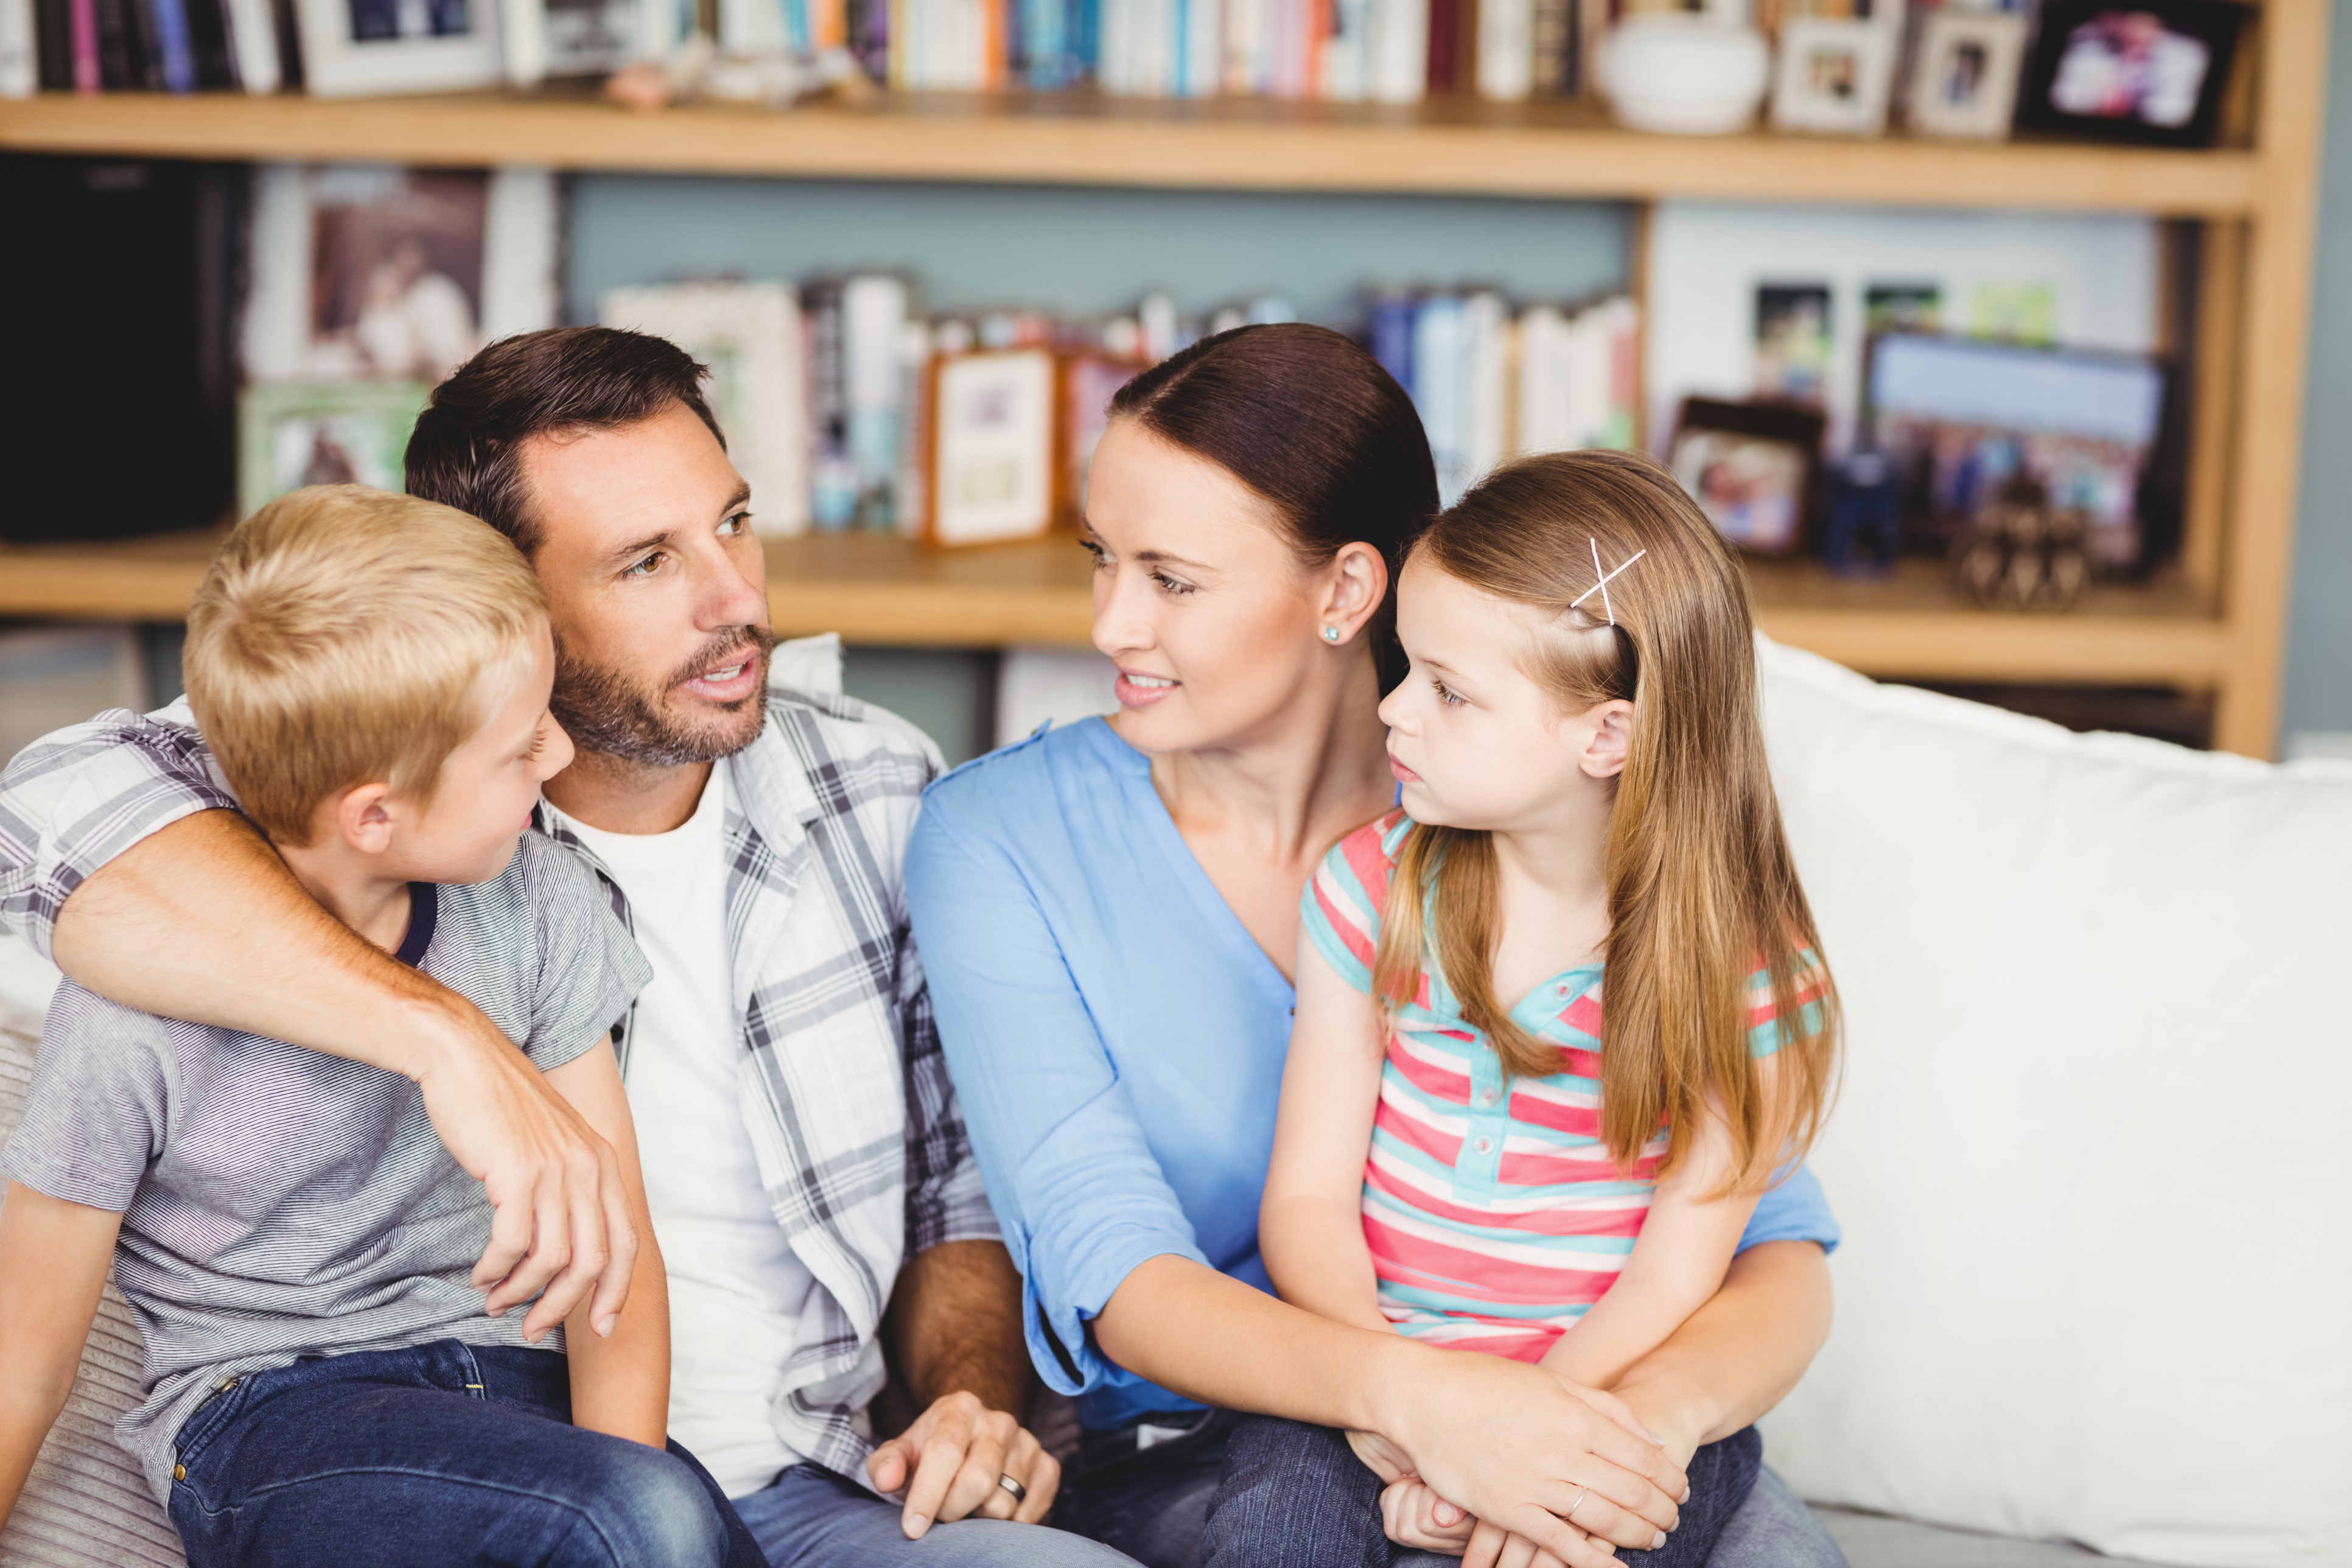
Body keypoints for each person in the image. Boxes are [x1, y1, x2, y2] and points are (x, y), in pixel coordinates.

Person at [0, 328, 1129, 1568]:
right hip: (418, 1452)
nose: (738, 598)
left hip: (789, 1475)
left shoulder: (875, 785)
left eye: (735, 522)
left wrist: (974, 1398)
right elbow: (49, 815)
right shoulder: (351, 762)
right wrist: (446, 1041)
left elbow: (946, 1189)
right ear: (497, 602)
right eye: (648, 562)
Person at [905, 323, 1849, 1568]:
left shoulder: (1521, 815)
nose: (1110, 624)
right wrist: (1428, 1410)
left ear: (1349, 592)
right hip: (1227, 1441)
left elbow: (1764, 1251)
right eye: (1102, 558)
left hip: (1595, 1403)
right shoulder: (998, 836)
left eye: (1172, 579)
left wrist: (1612, 1433)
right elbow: (1114, 1273)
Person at [0, 486, 760, 1567]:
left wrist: (635, 1484)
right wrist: (633, 1513)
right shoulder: (130, 1008)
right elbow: (23, 1360)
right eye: (515, 748)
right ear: (375, 814)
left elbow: (612, 1267)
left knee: (662, 1522)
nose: (555, 756)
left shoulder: (541, 902)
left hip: (526, 1401)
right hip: (270, 1419)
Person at [1220, 449, 1844, 1568]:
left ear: (1605, 737)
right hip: (1374, 1373)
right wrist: (1401, 1419)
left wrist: (1524, 1444)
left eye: (1451, 692)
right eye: (1408, 665)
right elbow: (1308, 1199)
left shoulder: (1750, 978)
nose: (1394, 710)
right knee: (1272, 1535)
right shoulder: (1370, 891)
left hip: (1606, 1394)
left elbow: (1675, 1275)